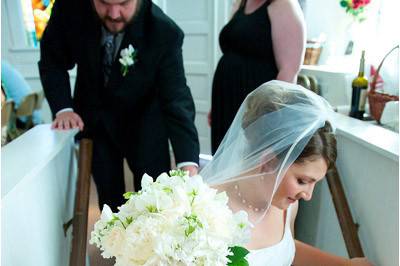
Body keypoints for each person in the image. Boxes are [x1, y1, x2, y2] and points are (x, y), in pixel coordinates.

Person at [38, 0, 200, 211]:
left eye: (123, 3)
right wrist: (64, 109)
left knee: (154, 199)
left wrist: (186, 162)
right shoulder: (69, 9)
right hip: (95, 122)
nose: (114, 14)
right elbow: (52, 59)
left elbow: (176, 98)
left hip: (146, 123)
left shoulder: (164, 32)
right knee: (109, 200)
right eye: (104, 3)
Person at [201, 80, 373, 265]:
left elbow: (285, 250)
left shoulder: (288, 206)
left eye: (315, 182)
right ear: (268, 162)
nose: (308, 195)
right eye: (302, 180)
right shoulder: (205, 207)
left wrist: (346, 264)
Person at [209, 0, 306, 154]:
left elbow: (289, 70)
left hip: (257, 105)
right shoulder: (241, 4)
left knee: (247, 159)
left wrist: (270, 116)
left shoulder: (283, 4)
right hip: (226, 101)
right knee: (224, 156)